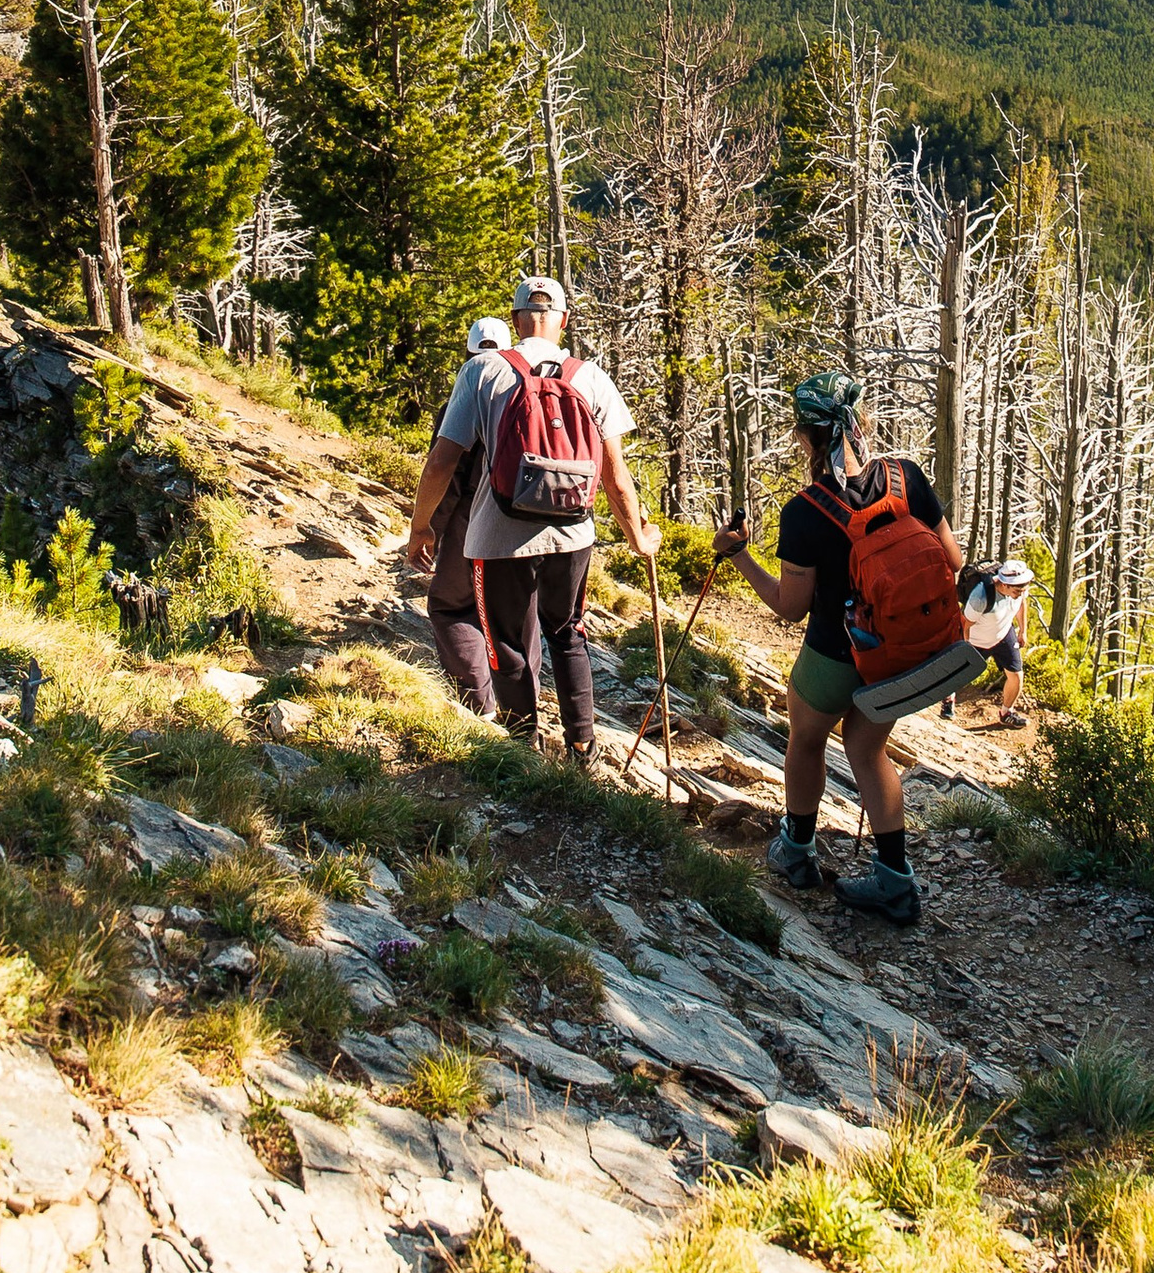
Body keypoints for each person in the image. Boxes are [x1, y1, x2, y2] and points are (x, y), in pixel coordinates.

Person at [713, 369, 960, 929]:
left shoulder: (804, 511)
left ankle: (796, 853)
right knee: (868, 749)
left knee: (806, 740)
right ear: (860, 420)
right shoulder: (907, 478)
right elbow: (953, 559)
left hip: (835, 653)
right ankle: (895, 882)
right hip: (902, 654)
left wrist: (737, 554)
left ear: (805, 436)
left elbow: (791, 606)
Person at [406, 273, 656, 760]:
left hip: (497, 534)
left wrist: (422, 528)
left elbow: (441, 462)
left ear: (516, 318)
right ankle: (582, 743)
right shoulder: (591, 377)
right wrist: (637, 538)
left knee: (505, 641)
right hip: (572, 534)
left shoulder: (482, 371)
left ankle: (523, 747)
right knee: (568, 634)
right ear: (563, 321)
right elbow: (616, 477)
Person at [416, 314, 512, 717]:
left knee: (451, 606)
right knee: (511, 616)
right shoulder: (525, 396)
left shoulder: (462, 399)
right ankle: (522, 716)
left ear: (468, 354)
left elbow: (447, 474)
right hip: (529, 523)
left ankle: (480, 705)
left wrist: (428, 530)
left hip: (473, 519)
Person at [944, 554, 1033, 726]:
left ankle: (1007, 713)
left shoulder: (1019, 588)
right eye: (1016, 591)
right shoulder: (981, 596)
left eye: (1022, 591)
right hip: (977, 641)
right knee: (958, 674)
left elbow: (1022, 604)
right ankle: (948, 699)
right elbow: (964, 622)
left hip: (1003, 634)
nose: (1020, 594)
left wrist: (1023, 631)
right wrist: (966, 647)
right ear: (1004, 584)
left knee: (1016, 675)